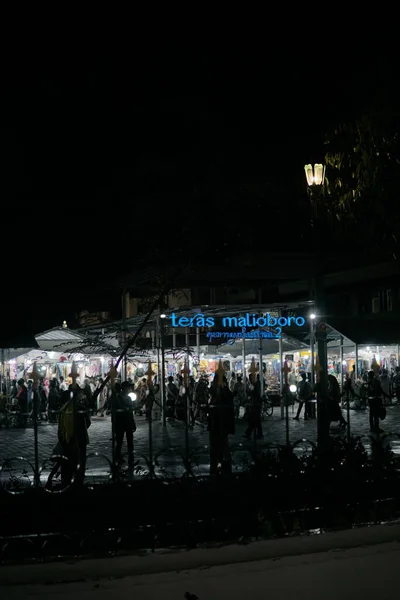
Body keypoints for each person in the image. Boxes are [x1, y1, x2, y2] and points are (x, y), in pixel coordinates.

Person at [57, 384, 91, 486]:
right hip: (78, 438)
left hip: (66, 439)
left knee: (68, 462)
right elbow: (88, 423)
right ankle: (77, 480)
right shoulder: (79, 407)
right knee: (79, 461)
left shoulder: (64, 407)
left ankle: (67, 481)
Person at [207, 375, 235, 475]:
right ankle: (217, 460)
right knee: (215, 442)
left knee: (223, 442)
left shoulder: (226, 392)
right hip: (215, 421)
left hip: (222, 422)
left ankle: (224, 460)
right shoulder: (213, 392)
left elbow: (228, 406)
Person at [114, 381, 136, 468]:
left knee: (130, 442)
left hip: (128, 422)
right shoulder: (118, 397)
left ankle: (131, 460)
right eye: (128, 387)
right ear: (124, 388)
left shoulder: (129, 398)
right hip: (120, 422)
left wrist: (133, 423)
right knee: (119, 442)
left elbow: (130, 411)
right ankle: (117, 459)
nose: (129, 389)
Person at [244, 373, 263, 438]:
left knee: (254, 419)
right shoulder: (254, 384)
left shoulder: (255, 384)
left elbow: (255, 394)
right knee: (255, 419)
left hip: (256, 404)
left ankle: (249, 433)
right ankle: (250, 433)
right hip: (255, 403)